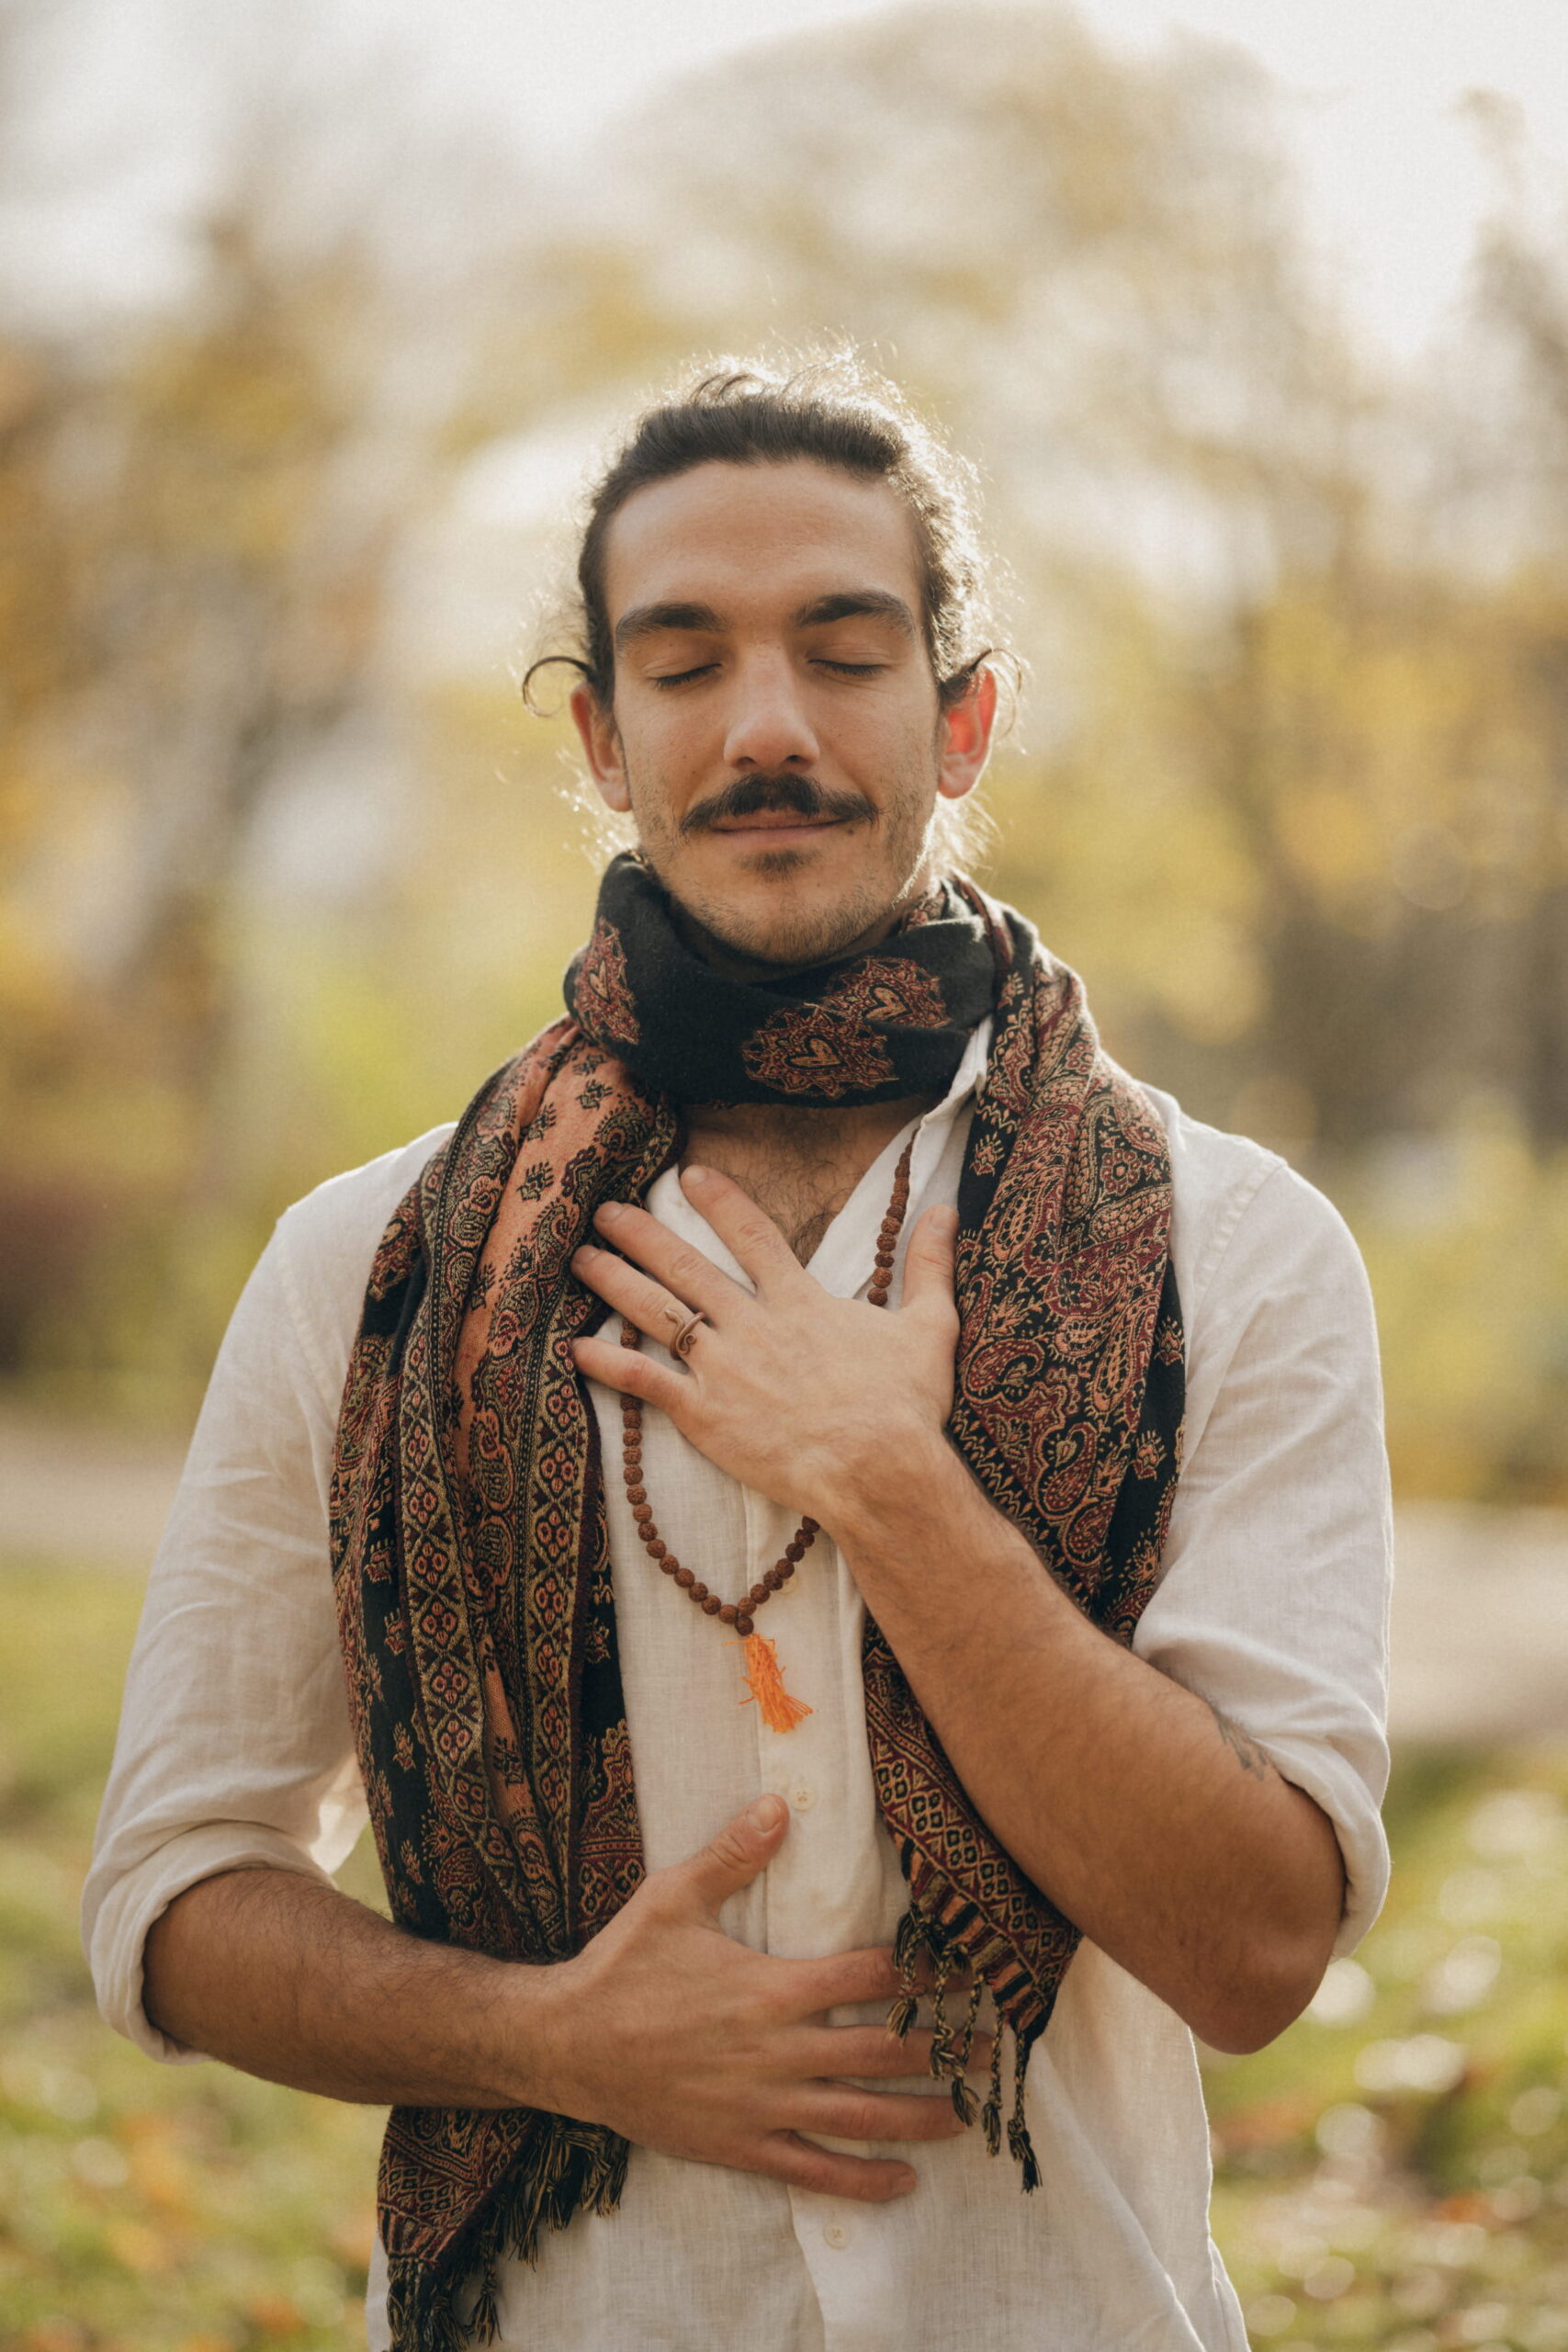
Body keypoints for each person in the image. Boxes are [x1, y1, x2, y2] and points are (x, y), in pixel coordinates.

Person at [85, 359, 1392, 2352]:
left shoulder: (1236, 1252)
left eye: (840, 651)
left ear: (960, 715)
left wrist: (896, 1488)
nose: (764, 726)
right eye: (684, 663)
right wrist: (549, 2037)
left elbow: (1255, 1942)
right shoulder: (364, 1267)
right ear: (604, 740)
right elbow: (172, 1902)